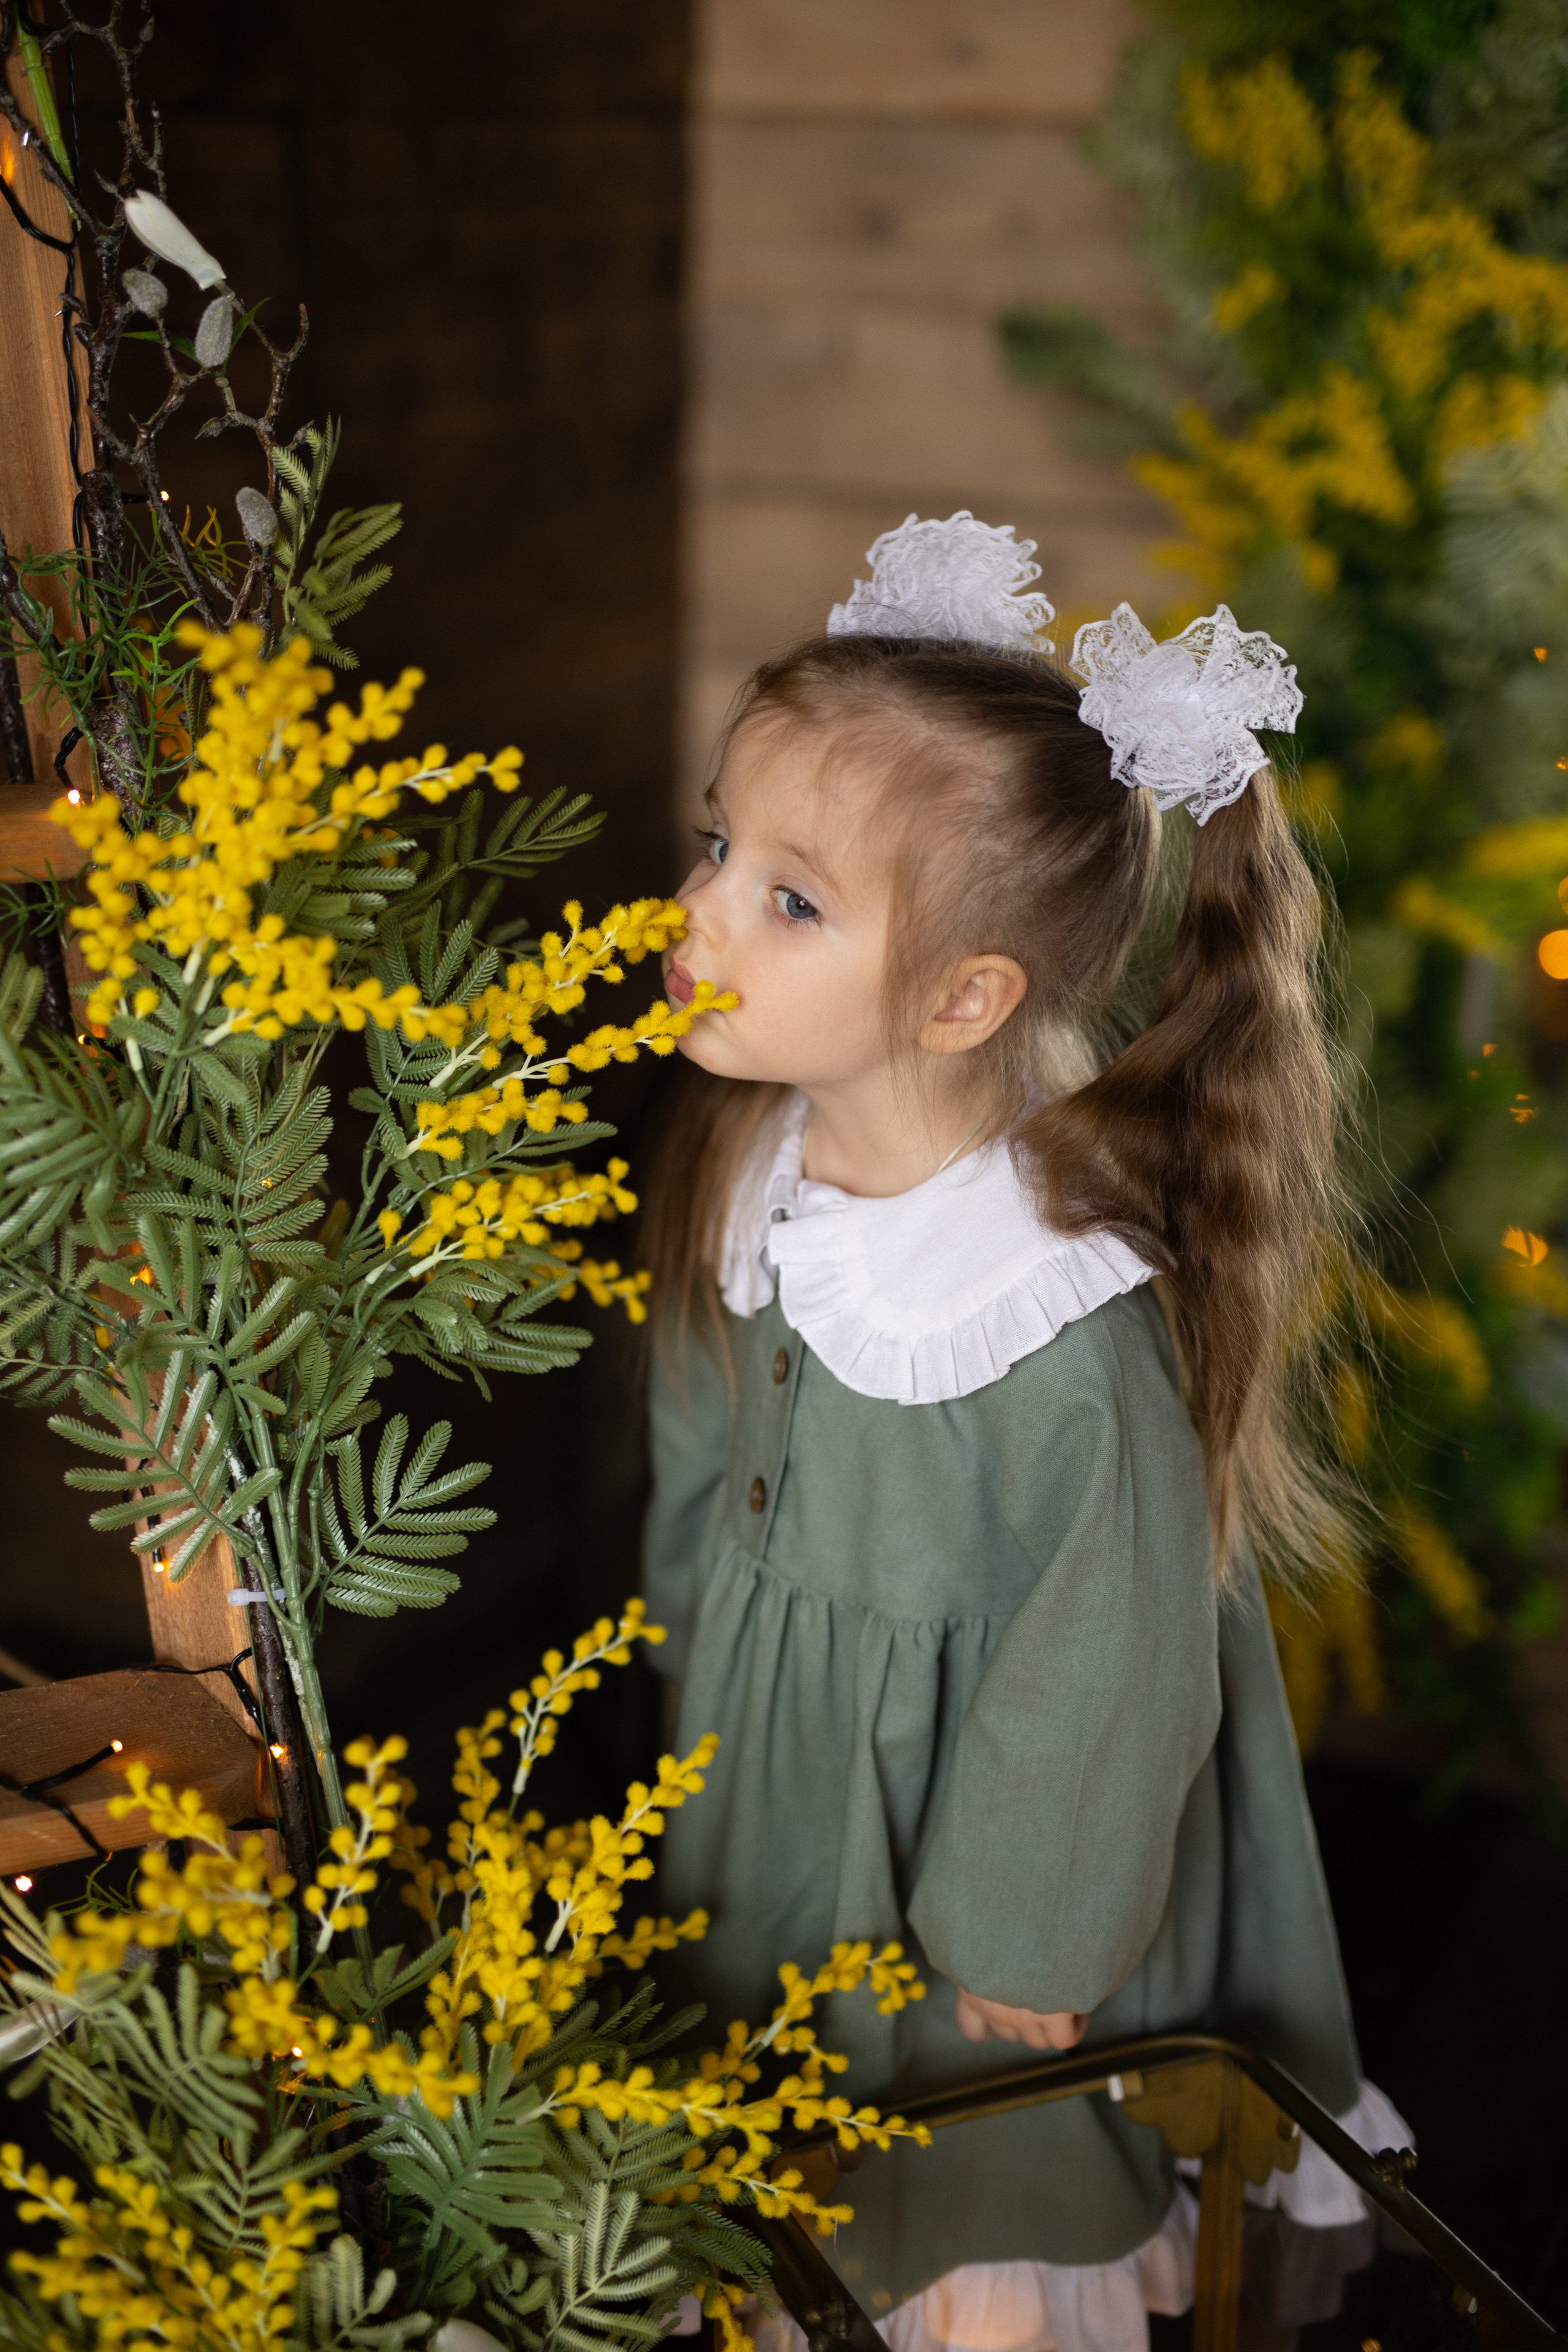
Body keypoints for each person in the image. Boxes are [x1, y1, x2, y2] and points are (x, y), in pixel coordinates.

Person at [640, 515, 1407, 2352]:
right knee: (775, 2143)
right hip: (782, 1789)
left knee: (954, 2179)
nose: (701, 914)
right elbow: (697, 1472)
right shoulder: (755, 1167)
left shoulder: (1050, 1309)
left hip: (973, 1874)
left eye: (789, 898)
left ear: (967, 996)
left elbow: (1116, 1650)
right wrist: (691, 1701)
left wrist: (1029, 1929)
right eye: (717, 849)